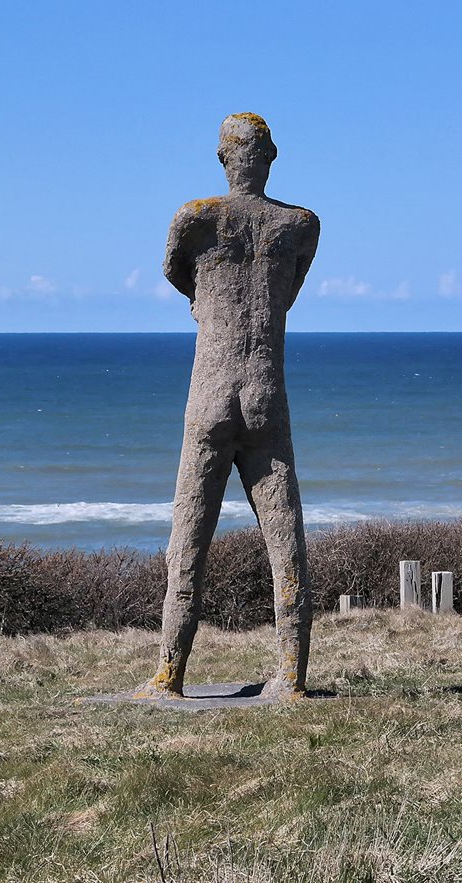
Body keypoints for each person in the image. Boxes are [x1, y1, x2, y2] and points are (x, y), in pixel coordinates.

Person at [139, 113, 320, 700]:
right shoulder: (299, 225)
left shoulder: (197, 219)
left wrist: (208, 303)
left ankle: (171, 675)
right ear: (272, 157)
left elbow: (176, 272)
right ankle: (290, 674)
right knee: (285, 536)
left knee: (188, 539)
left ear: (223, 158)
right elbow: (286, 294)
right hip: (266, 395)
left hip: (211, 395)